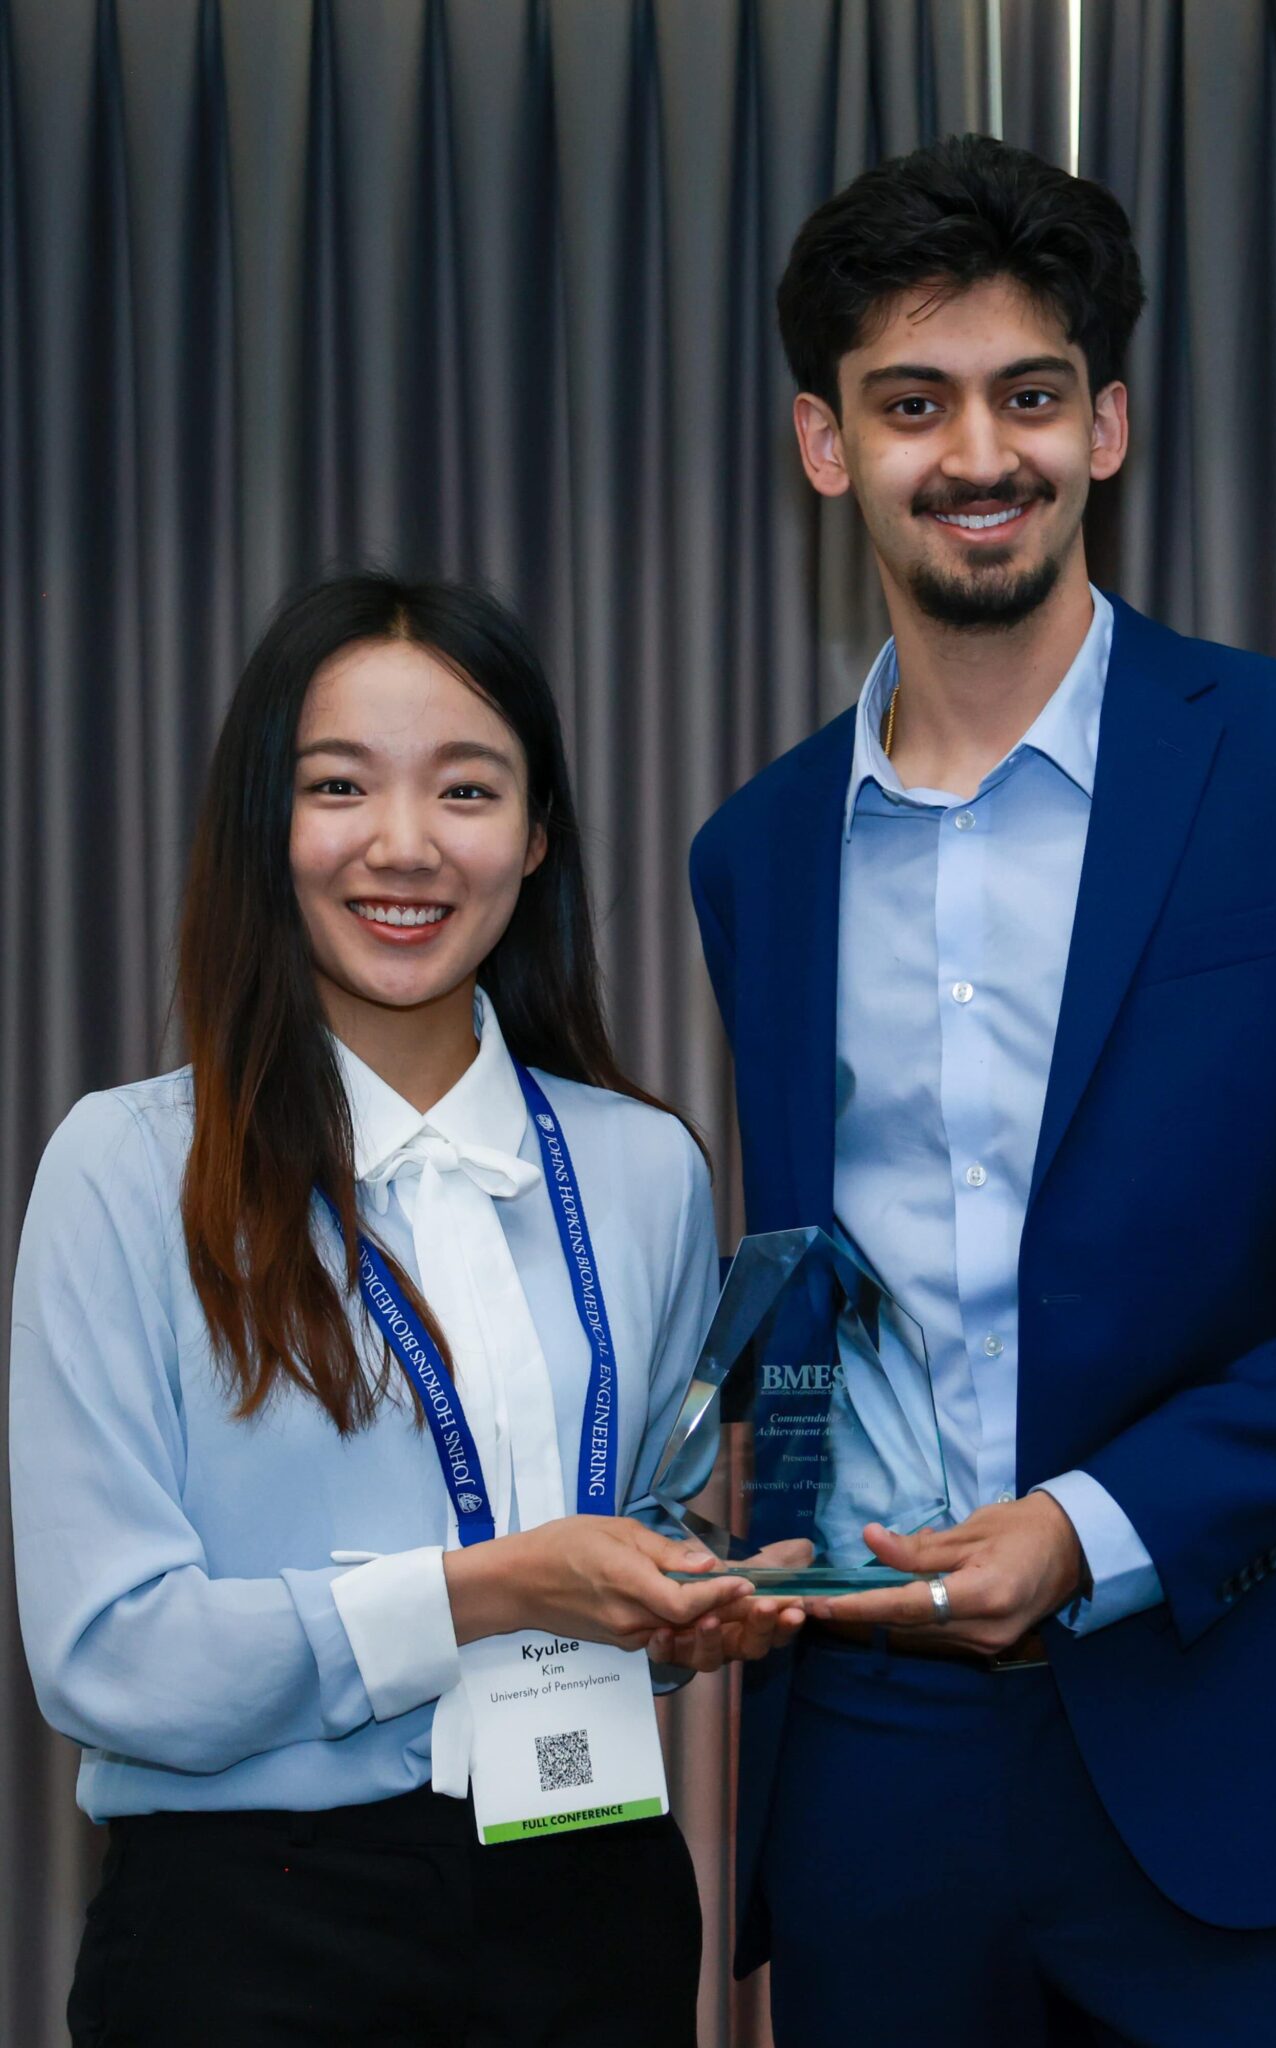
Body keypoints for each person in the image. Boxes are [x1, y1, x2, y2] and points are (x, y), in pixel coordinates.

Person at [674, 135, 1276, 2046]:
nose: (979, 453)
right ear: (827, 446)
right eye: (914, 403)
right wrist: (757, 1518)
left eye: (1029, 395)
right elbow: (814, 1274)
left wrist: (1094, 1522)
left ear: (1108, 425)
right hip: (874, 1766)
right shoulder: (757, 852)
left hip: (1254, 1718)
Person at [9, 573, 782, 2048]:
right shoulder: (127, 1168)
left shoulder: (643, 1167)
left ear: (538, 832)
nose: (406, 845)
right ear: (265, 824)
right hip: (257, 1929)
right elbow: (108, 1654)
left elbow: (645, 1531)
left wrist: (694, 1605)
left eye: (469, 789)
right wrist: (495, 1587)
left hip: (594, 1894)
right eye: (339, 786)